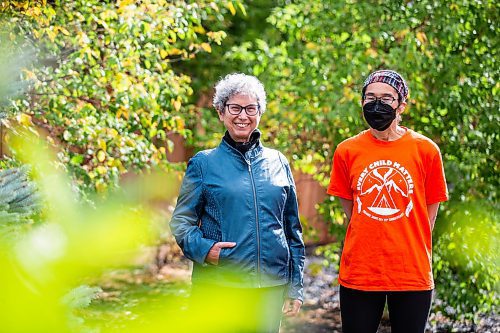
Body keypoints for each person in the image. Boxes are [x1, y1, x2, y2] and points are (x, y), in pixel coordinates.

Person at [170, 73, 305, 332]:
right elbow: (181, 222)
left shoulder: (278, 162)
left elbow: (292, 230)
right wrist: (207, 251)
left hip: (270, 287)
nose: (243, 116)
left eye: (250, 108)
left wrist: (295, 287)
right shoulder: (203, 163)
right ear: (221, 113)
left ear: (259, 113)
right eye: (235, 108)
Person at [327, 69, 448, 333]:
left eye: (386, 98)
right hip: (361, 271)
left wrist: (408, 238)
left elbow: (430, 212)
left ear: (401, 104)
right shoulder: (347, 151)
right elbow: (353, 209)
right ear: (361, 103)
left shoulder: (426, 150)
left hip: (410, 271)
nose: (376, 104)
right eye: (370, 97)